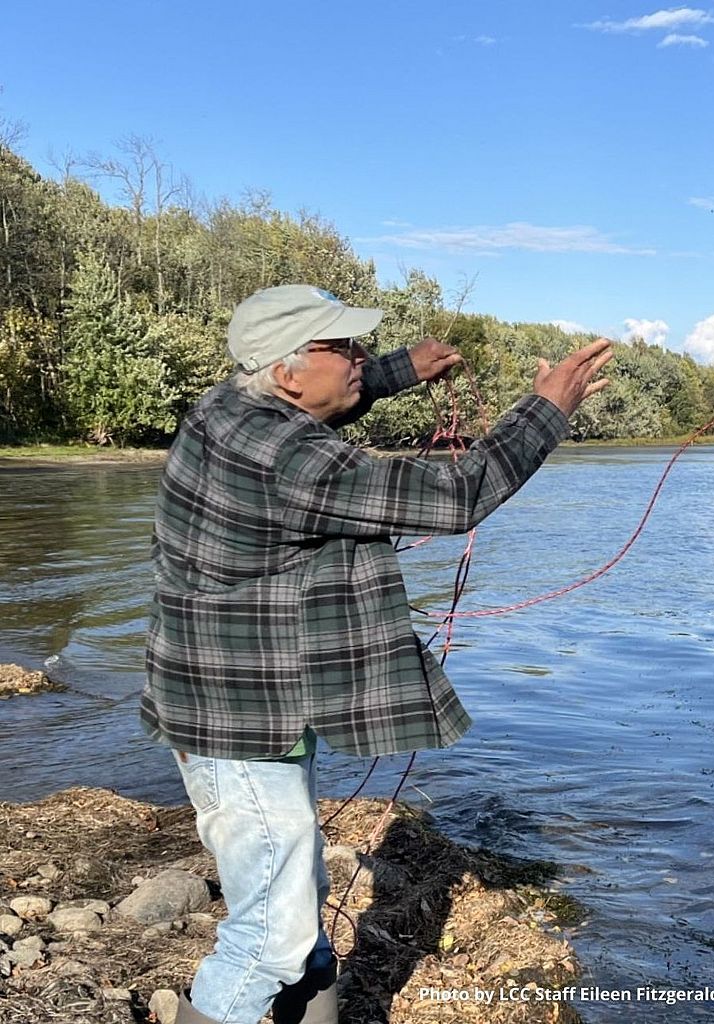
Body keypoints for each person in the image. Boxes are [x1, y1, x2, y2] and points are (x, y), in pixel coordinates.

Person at [140, 285, 612, 1024]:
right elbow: (458, 493)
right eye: (347, 348)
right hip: (237, 721)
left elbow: (321, 398)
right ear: (289, 370)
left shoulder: (229, 407)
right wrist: (546, 408)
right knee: (270, 937)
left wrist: (398, 370)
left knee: (292, 894)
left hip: (236, 700)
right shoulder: (285, 454)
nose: (361, 358)